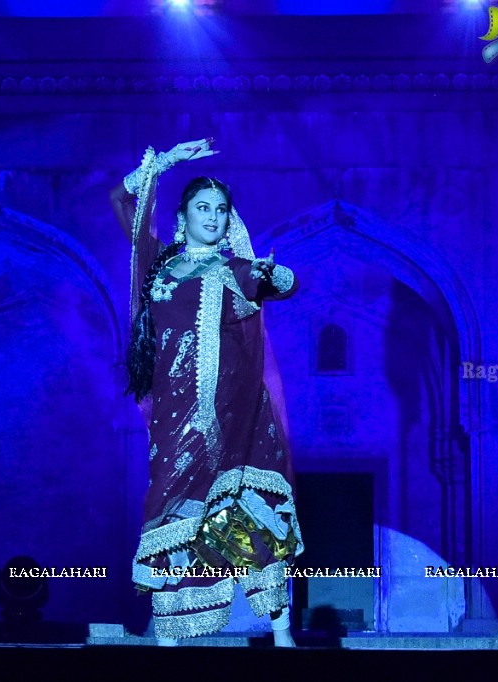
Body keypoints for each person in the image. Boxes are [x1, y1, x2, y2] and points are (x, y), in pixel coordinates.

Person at [110, 138, 304, 646]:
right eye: (203, 208)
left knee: (241, 509)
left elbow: (279, 283)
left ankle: (282, 632)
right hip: (172, 416)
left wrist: (276, 274)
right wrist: (165, 162)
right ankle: (171, 634)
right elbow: (121, 201)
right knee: (169, 506)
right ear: (182, 215)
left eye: (221, 209)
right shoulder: (157, 262)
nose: (213, 217)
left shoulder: (232, 270)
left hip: (229, 410)